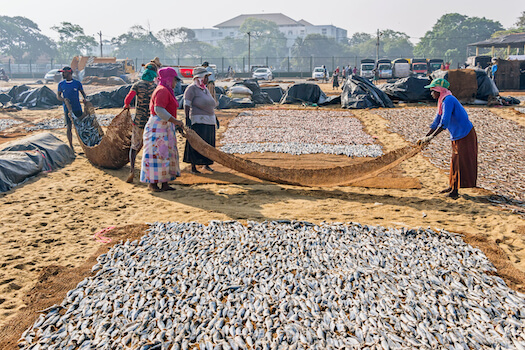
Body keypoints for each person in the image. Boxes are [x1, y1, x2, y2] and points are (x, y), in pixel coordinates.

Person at [418, 78, 478, 199]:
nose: (431, 93)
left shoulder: (448, 100)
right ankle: (452, 186)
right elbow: (437, 121)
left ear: (439, 91)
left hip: (465, 134)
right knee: (454, 161)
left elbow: (444, 122)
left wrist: (431, 137)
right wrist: (425, 137)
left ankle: (455, 191)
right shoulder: (442, 101)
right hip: (457, 135)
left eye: (433, 91)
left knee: (460, 161)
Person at [140, 67, 184, 192]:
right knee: (157, 155)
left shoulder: (166, 90)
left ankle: (165, 183)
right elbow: (159, 110)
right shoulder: (162, 91)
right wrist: (175, 121)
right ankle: (153, 184)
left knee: (166, 154)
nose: (176, 83)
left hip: (166, 126)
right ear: (169, 79)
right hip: (158, 127)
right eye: (175, 80)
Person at [123, 63, 158, 183]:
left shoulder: (137, 85)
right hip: (151, 120)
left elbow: (128, 98)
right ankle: (150, 171)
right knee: (150, 147)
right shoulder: (155, 87)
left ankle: (132, 170)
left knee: (134, 146)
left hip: (138, 120)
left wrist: (126, 106)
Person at [183, 66, 218, 174]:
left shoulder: (204, 89)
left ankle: (206, 164)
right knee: (196, 143)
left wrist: (215, 118)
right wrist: (187, 118)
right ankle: (193, 166)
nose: (207, 79)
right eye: (205, 77)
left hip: (209, 120)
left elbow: (210, 105)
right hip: (198, 121)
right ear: (200, 78)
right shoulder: (191, 89)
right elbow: (186, 104)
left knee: (208, 143)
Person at [56, 66, 87, 152]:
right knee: (69, 127)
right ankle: (71, 146)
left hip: (77, 108)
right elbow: (58, 96)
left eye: (64, 72)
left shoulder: (77, 83)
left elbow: (83, 93)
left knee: (81, 127)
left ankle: (85, 145)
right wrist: (63, 100)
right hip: (67, 110)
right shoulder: (61, 84)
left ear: (69, 73)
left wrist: (85, 99)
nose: (63, 74)